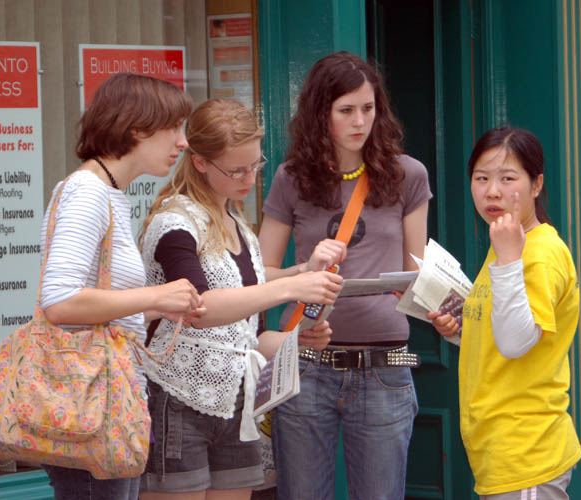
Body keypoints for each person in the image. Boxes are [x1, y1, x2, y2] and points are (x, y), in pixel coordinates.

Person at [138, 98, 343, 500]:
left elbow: (250, 336)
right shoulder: (175, 224)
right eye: (236, 170)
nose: (249, 178)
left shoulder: (238, 225)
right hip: (177, 397)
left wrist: (296, 339)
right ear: (199, 162)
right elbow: (198, 308)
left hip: (236, 401)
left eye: (255, 165)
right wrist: (291, 286)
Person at [257, 51, 432, 500]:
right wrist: (304, 269)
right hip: (306, 363)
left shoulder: (407, 174)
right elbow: (260, 276)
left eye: (368, 108)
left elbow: (417, 273)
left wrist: (437, 300)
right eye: (346, 110)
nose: (360, 121)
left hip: (384, 365)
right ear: (321, 114)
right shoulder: (291, 178)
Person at [39, 73, 206, 500]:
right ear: (136, 128)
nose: (183, 142)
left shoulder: (106, 192)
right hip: (90, 401)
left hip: (105, 395)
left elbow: (95, 305)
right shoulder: (88, 192)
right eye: (174, 128)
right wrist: (155, 295)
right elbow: (60, 301)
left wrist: (155, 308)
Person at [427, 127, 581, 499]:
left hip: (527, 451)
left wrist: (510, 260)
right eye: (481, 178)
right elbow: (505, 335)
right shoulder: (506, 244)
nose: (492, 191)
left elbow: (515, 343)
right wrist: (459, 330)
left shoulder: (538, 253)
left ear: (536, 184)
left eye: (508, 178)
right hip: (501, 453)